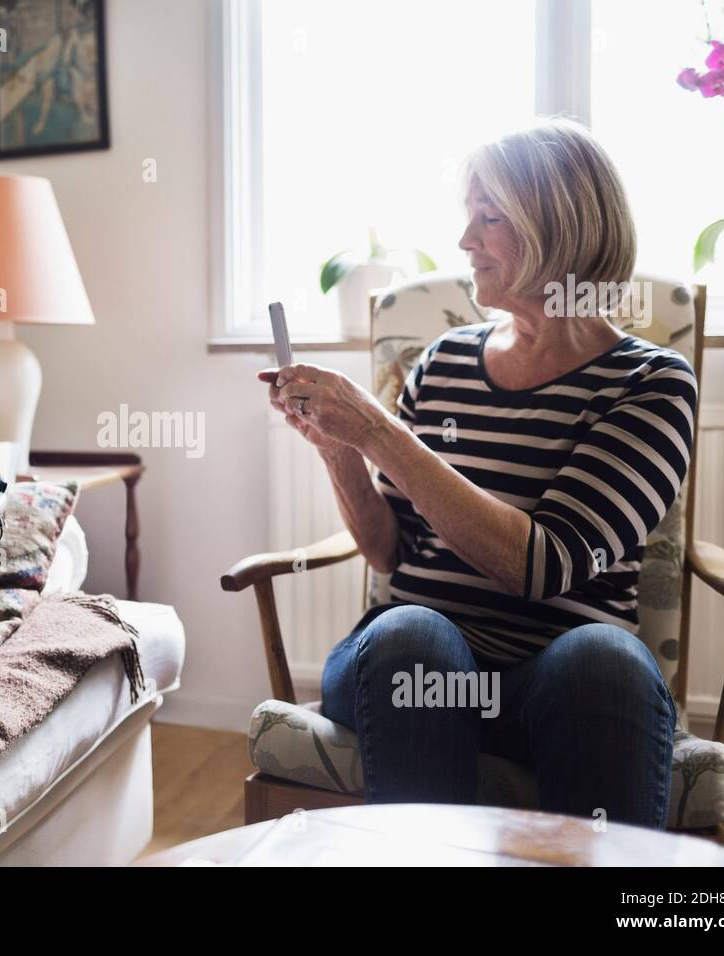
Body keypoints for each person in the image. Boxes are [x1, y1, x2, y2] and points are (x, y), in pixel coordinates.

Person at [261, 119, 696, 829]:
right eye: (469, 217)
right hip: (413, 674)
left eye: (489, 218)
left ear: (564, 229)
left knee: (605, 659)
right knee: (413, 635)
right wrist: (339, 446)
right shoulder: (443, 362)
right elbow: (389, 551)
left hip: (551, 691)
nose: (467, 241)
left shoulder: (648, 383)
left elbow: (544, 565)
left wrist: (377, 429)